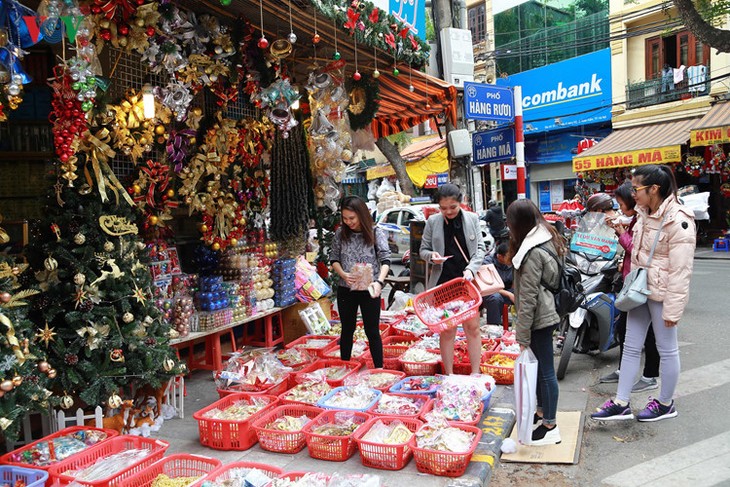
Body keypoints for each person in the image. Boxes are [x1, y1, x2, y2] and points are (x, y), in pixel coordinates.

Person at [592, 165, 695, 422]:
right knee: (630, 346)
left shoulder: (679, 219)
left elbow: (681, 271)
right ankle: (621, 401)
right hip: (638, 290)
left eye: (637, 188)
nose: (633, 193)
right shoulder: (643, 212)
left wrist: (673, 309)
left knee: (667, 349)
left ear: (654, 189)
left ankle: (665, 403)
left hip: (661, 294)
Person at [506, 199, 564, 446]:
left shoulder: (532, 252)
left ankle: (550, 425)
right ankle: (542, 414)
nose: (508, 228)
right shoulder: (546, 237)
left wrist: (522, 334)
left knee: (546, 372)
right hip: (547, 312)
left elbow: (528, 298)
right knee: (541, 369)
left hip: (540, 316)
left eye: (510, 223)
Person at [419, 183, 486, 375]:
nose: (448, 211)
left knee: (472, 327)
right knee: (447, 330)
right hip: (443, 282)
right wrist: (432, 256)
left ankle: (475, 372)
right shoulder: (433, 221)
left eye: (452, 207)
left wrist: (471, 270)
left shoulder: (472, 218)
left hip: (466, 282)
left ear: (461, 203)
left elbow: (480, 249)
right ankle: (448, 373)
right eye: (443, 208)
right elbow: (422, 250)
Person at [600, 183, 660, 392]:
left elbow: (636, 250)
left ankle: (651, 376)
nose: (619, 209)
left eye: (621, 204)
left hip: (643, 285)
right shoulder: (636, 220)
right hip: (631, 282)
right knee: (624, 330)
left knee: (653, 335)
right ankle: (623, 371)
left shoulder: (647, 221)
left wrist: (620, 232)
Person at [330, 196, 391, 368]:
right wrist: (343, 274)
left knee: (372, 331)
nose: (348, 222)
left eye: (352, 218)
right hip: (346, 289)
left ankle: (379, 368)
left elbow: (385, 260)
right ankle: (345, 367)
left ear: (361, 215)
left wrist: (379, 282)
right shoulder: (340, 234)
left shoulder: (375, 232)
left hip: (370, 289)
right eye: (345, 218)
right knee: (347, 329)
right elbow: (334, 258)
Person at [482, 243, 514, 325]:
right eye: (508, 256)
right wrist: (509, 294)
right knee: (495, 298)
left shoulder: (512, 262)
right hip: (490, 292)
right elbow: (490, 286)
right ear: (499, 256)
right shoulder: (487, 263)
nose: (511, 258)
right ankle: (494, 327)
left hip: (508, 291)